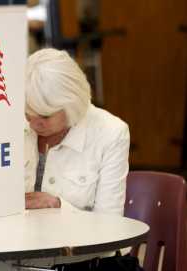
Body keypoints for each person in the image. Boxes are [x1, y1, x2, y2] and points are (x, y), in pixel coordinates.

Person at [24, 48, 130, 215]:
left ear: (72, 104)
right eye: (27, 114)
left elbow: (110, 226)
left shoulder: (111, 133)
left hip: (77, 241)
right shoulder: (12, 124)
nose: (33, 124)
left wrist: (57, 205)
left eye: (45, 116)